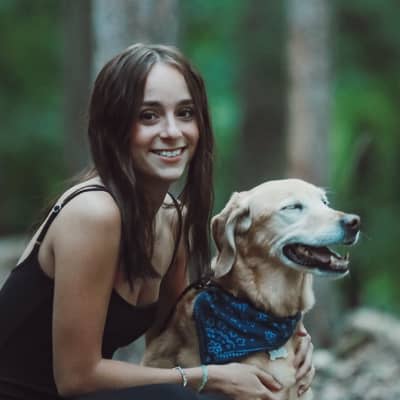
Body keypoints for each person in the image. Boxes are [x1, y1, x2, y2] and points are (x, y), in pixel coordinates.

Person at [0, 44, 314, 400]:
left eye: (185, 113)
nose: (172, 131)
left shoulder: (172, 219)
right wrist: (208, 376)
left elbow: (179, 335)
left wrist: (287, 338)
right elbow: (77, 378)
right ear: (115, 126)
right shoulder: (93, 213)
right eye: (148, 116)